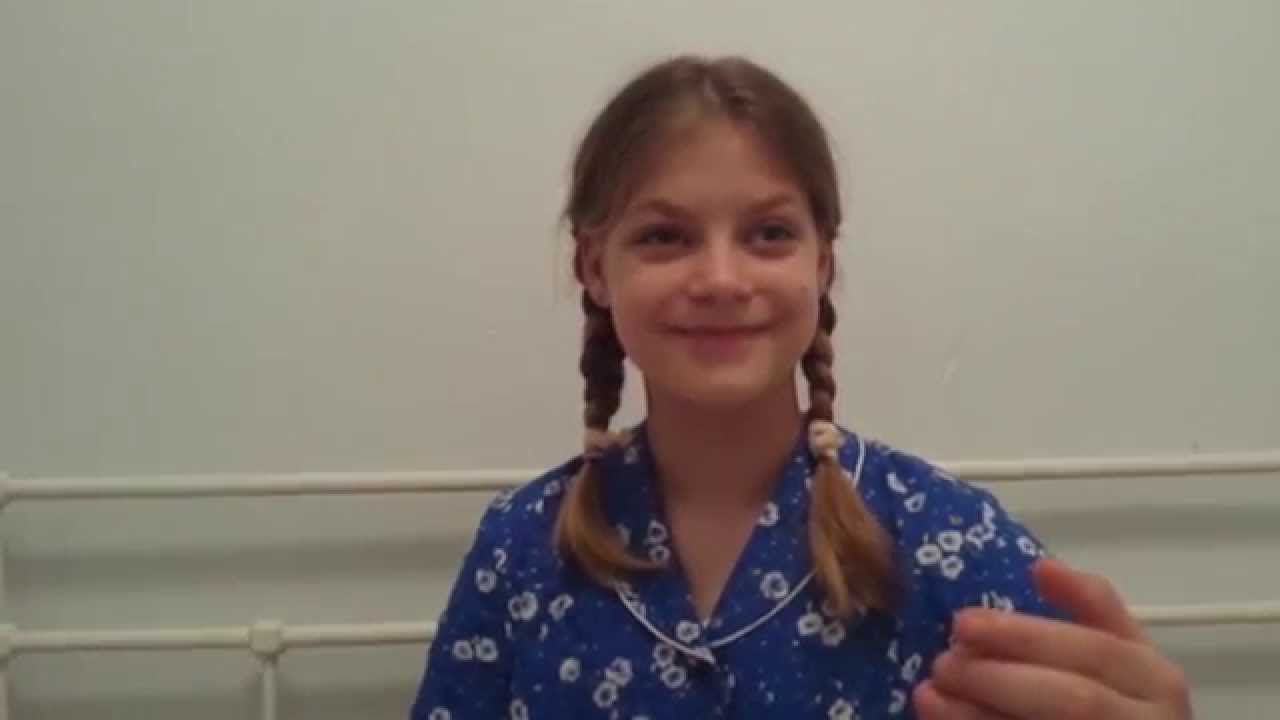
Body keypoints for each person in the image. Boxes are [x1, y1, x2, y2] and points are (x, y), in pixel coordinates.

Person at [410, 55, 1191, 719]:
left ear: (821, 264)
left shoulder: (953, 543)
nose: (722, 279)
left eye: (770, 234)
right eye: (665, 236)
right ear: (593, 268)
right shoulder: (520, 549)